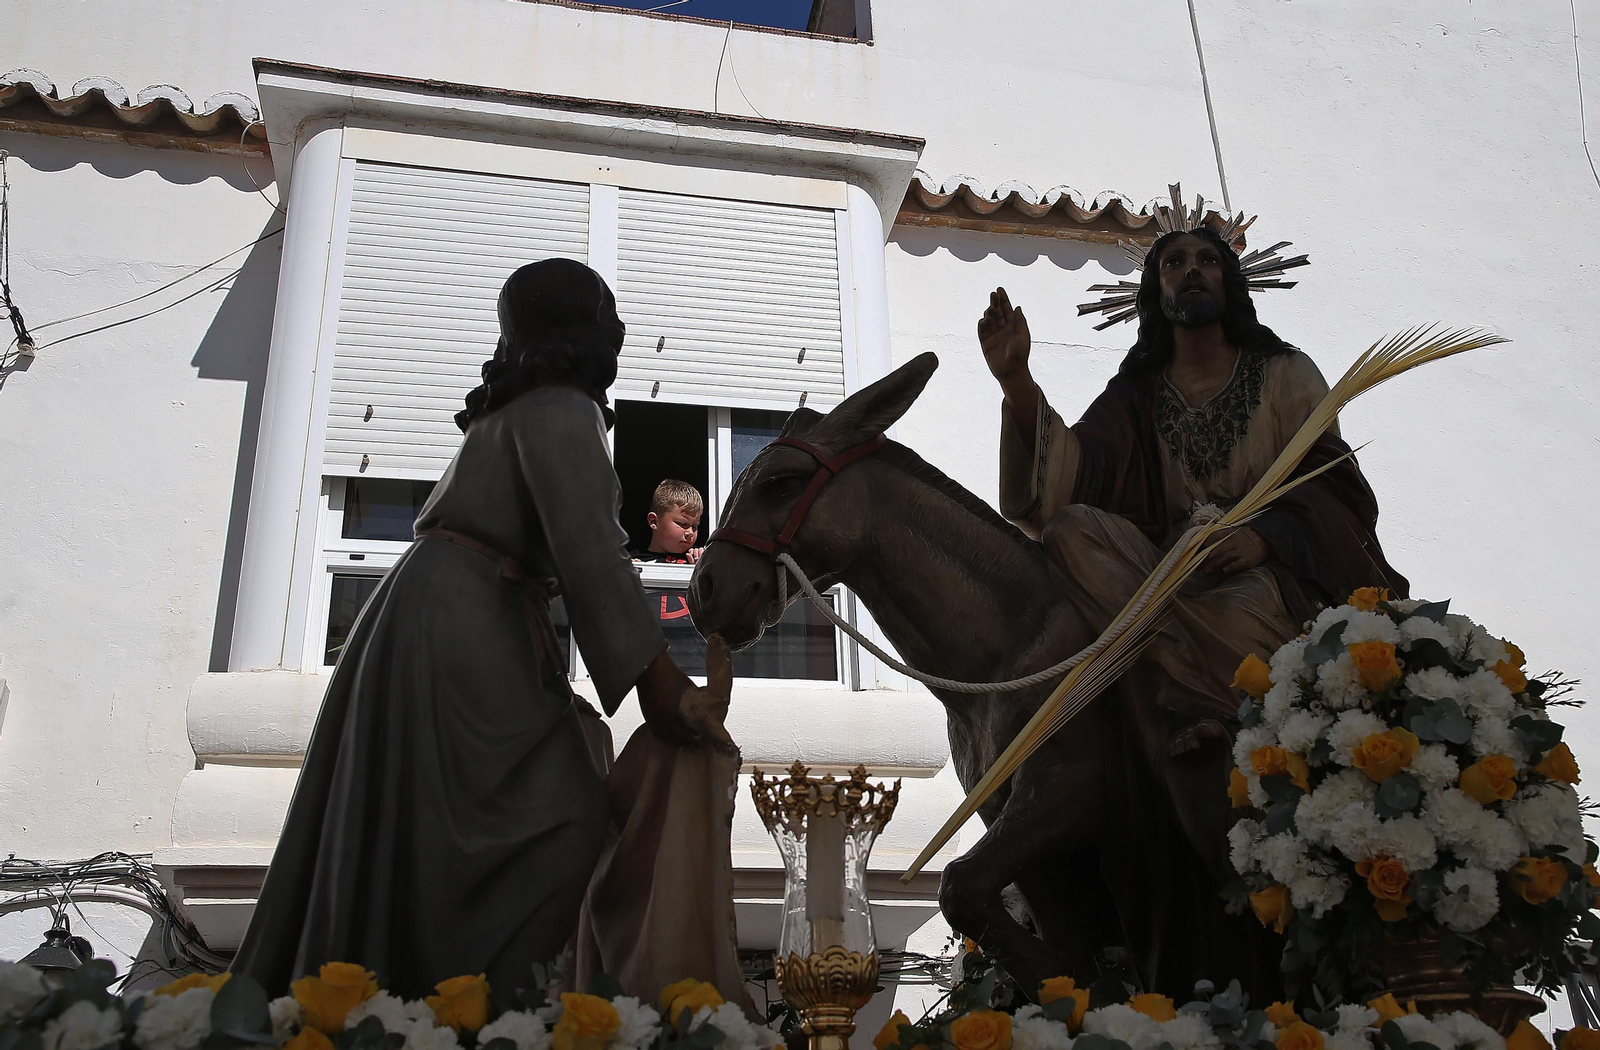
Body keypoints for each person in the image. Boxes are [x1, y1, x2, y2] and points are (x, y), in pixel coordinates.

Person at [232, 258, 722, 1001]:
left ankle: (443, 1001)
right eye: (608, 319)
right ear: (584, 332)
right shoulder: (562, 409)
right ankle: (481, 1008)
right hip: (463, 620)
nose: (619, 336)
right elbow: (591, 553)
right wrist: (662, 688)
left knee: (450, 829)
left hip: (442, 613)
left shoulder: (514, 412)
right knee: (564, 815)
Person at [980, 225, 1409, 993]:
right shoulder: (1139, 395)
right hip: (1166, 578)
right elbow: (1061, 493)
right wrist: (1018, 387)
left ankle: (1195, 701)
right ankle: (1184, 697)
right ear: (1154, 292)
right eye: (1172, 263)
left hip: (1259, 579)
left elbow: (1337, 490)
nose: (1190, 273)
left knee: (1243, 609)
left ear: (1231, 282)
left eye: (1207, 260)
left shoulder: (1285, 375)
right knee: (1076, 533)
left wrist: (1266, 537)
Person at [632, 479, 705, 564]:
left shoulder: (696, 557)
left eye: (694, 526)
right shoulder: (633, 560)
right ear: (654, 521)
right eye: (682, 523)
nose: (690, 532)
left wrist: (702, 564)